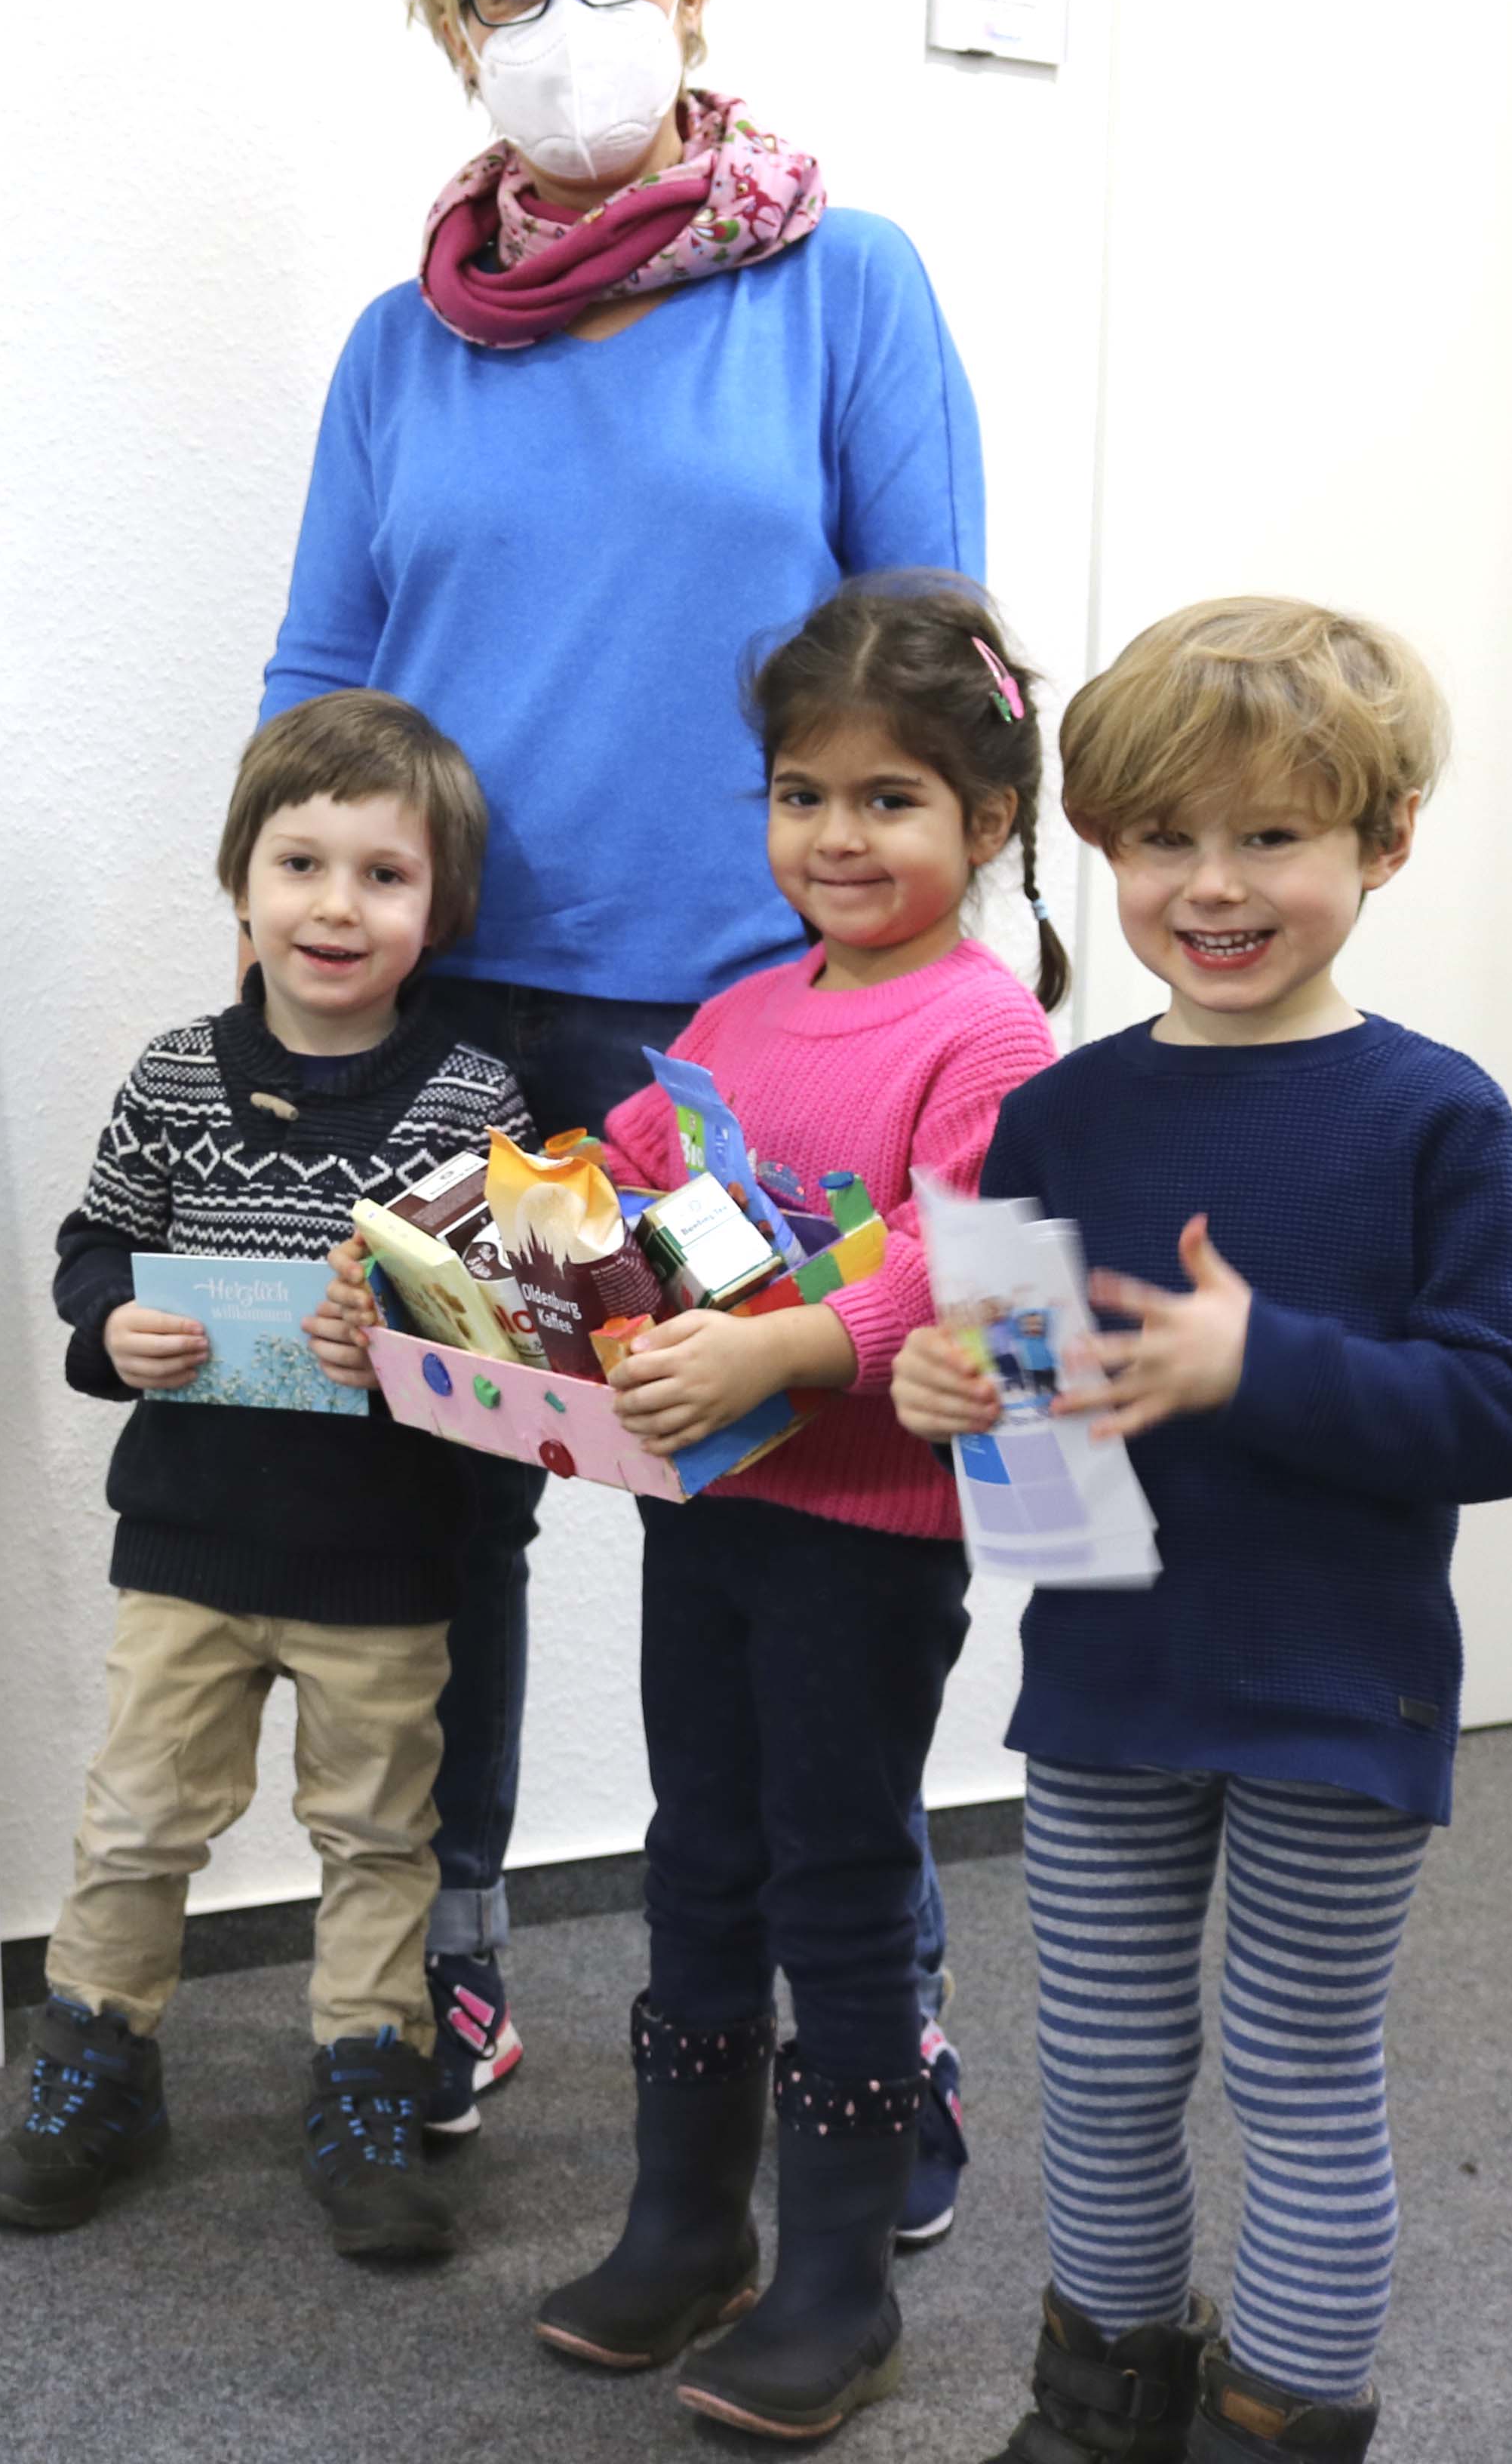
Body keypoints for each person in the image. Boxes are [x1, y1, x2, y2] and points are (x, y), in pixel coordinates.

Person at [264, 0, 988, 2183]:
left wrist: (921, 984)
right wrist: (293, 948)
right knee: (437, 1529)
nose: (566, 18)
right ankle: (449, 1959)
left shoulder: (844, 284)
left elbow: (935, 659)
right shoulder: (405, 346)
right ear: (450, 31)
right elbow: (325, 670)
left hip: (748, 1037)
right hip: (463, 1018)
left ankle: (874, 2015)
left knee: (786, 1536)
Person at [892, 600, 1512, 2464]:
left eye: (1271, 833)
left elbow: (1510, 1412)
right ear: (1100, 843)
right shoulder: (1059, 1113)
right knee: (1102, 2069)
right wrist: (961, 1390)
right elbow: (1036, 1422)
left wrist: (1263, 1361)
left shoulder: (1437, 1117)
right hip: (1112, 1676)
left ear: (1386, 839)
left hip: (1335, 1688)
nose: (1213, 883)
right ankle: (1103, 2402)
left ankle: (1280, 2422)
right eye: (1164, 837)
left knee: (1296, 2070)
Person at [508, 579, 1065, 2437]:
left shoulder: (989, 1035)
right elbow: (613, 1185)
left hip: (870, 1534)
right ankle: (685, 2227)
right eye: (802, 793)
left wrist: (778, 1346)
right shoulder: (738, 1014)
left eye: (889, 797)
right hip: (709, 1515)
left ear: (989, 818)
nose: (838, 834)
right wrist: (445, 1250)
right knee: (700, 1850)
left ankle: (836, 2280)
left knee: (837, 1876)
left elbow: (954, 1252)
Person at [0, 693, 530, 2261]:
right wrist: (111, 1327)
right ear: (242, 881)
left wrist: (403, 1347)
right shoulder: (173, 1076)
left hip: (383, 1559)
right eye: (301, 863)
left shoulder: (472, 1099)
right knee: (138, 1822)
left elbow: (506, 1331)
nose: (337, 906)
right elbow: (95, 1243)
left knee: (379, 1836)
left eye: (385, 875)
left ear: (440, 910)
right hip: (191, 1544)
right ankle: (97, 2064)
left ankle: (368, 2080)